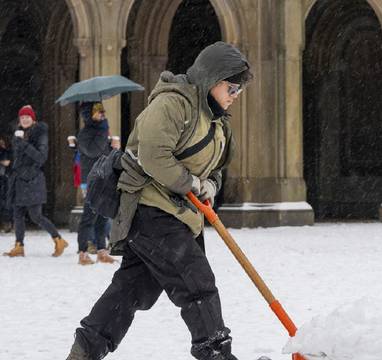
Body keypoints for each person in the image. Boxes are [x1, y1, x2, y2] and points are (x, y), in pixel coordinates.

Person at [66, 41, 252, 360]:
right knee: (196, 280)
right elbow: (153, 155)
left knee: (133, 288)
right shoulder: (172, 104)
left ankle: (87, 348)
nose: (235, 95)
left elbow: (216, 166)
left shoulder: (218, 121)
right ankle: (216, 352)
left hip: (180, 215)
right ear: (211, 79)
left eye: (239, 90)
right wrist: (190, 182)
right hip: (150, 210)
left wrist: (209, 183)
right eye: (232, 87)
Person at [3, 105, 68, 257]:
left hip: (33, 179)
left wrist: (23, 144)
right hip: (19, 179)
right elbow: (18, 158)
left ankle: (58, 240)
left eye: (27, 117)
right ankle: (19, 246)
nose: (24, 119)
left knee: (36, 216)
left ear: (33, 119)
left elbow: (41, 157)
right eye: (22, 117)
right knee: (17, 214)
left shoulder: (40, 133)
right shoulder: (18, 134)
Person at [75, 102, 118, 265]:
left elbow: (106, 156)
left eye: (102, 111)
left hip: (103, 179)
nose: (102, 114)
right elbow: (94, 152)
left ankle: (102, 251)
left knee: (102, 217)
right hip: (91, 181)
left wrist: (114, 148)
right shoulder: (85, 133)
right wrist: (104, 133)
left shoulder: (101, 132)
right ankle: (83, 253)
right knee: (88, 217)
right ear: (89, 115)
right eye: (98, 112)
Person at [0, 136, 13, 232]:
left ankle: (7, 223)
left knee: (5, 202)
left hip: (4, 179)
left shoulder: (6, 152)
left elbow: (7, 163)